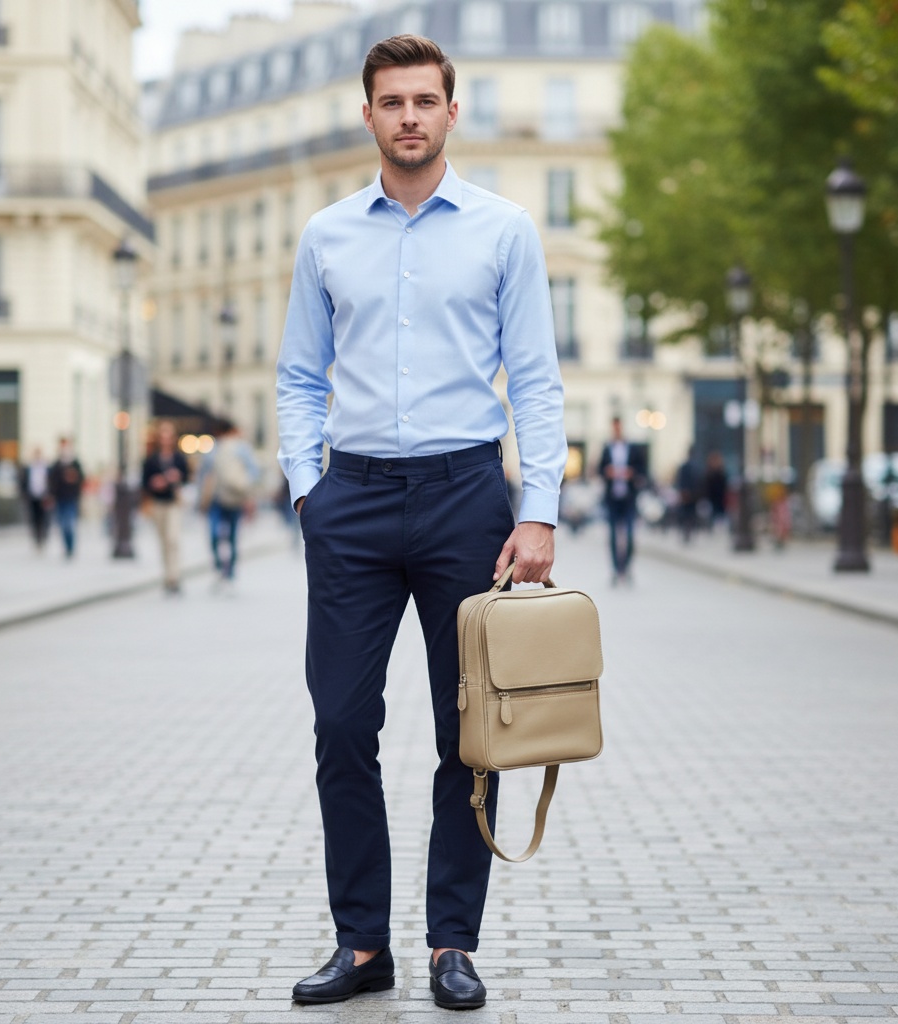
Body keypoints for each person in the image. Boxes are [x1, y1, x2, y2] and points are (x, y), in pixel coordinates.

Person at [276, 35, 566, 1011]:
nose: (407, 116)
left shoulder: (503, 230)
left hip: (465, 499)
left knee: (468, 730)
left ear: (452, 112)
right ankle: (362, 945)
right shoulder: (326, 236)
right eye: (390, 101)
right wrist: (305, 487)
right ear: (367, 115)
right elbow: (297, 376)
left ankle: (451, 942)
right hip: (349, 500)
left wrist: (540, 512)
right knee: (342, 724)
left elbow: (534, 380)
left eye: (423, 100)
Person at [198, 422, 260, 584]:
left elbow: (253, 472)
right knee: (216, 535)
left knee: (230, 536)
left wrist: (247, 494)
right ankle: (220, 567)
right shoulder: (215, 450)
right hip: (216, 498)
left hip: (233, 498)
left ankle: (229, 571)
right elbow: (204, 475)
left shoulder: (240, 449)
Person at [141, 420, 190, 594]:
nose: (165, 439)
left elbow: (186, 476)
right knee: (163, 540)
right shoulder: (151, 459)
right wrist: (155, 483)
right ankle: (167, 575)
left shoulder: (178, 457)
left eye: (168, 435)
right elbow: (144, 482)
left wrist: (176, 477)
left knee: (173, 539)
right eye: (162, 435)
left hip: (174, 502)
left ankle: (174, 576)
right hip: (158, 503)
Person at [597, 416, 646, 584]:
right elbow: (599, 470)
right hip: (612, 499)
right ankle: (616, 569)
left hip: (629, 498)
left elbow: (642, 470)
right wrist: (607, 472)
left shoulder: (633, 449)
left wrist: (631, 474)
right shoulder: (607, 448)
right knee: (612, 536)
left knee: (630, 535)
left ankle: (627, 568)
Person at [48, 438, 85, 558]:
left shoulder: (75, 463)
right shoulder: (56, 464)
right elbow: (52, 482)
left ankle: (70, 547)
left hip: (71, 498)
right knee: (62, 524)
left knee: (69, 523)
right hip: (60, 498)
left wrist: (74, 479)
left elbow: (81, 480)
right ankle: (66, 547)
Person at [20, 446, 52, 550]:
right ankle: (37, 539)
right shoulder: (29, 467)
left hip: (44, 497)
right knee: (34, 519)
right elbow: (23, 482)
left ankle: (43, 537)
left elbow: (51, 482)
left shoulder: (46, 467)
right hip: (32, 497)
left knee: (44, 519)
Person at [674, 446, 701, 544]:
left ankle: (688, 532)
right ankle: (687, 532)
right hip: (689, 494)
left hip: (691, 495)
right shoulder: (691, 467)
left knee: (689, 514)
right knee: (687, 514)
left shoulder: (692, 466)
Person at [703, 450, 728, 531]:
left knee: (720, 519)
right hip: (711, 500)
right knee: (711, 517)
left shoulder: (722, 473)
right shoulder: (708, 474)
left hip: (721, 500)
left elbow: (724, 487)